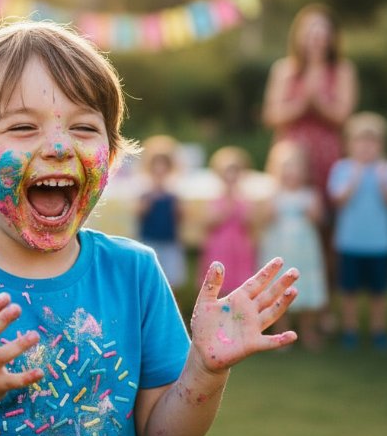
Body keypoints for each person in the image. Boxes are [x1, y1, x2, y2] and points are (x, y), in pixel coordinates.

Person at [0, 21, 300, 436]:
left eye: (84, 128)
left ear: (109, 156)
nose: (59, 146)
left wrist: (205, 371)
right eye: (23, 127)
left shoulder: (135, 273)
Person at [262, 4, 358, 328]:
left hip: (327, 157)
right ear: (300, 36)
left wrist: (319, 103)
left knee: (326, 233)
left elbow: (342, 116)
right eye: (311, 30)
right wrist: (305, 102)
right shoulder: (284, 70)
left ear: (331, 37)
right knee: (283, 233)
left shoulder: (342, 70)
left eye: (323, 30)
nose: (317, 37)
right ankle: (281, 308)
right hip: (290, 158)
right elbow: (272, 115)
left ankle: (321, 308)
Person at [327, 112, 387, 351]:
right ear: (350, 144)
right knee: (349, 291)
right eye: (361, 141)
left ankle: (379, 331)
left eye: (372, 142)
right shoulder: (342, 168)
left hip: (380, 243)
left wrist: (384, 181)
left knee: (379, 292)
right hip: (349, 242)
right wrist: (355, 176)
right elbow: (339, 200)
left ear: (381, 145)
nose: (366, 147)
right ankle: (350, 330)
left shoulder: (386, 169)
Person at [260, 140, 329, 351]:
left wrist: (313, 213)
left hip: (304, 251)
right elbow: (263, 219)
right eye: (285, 167)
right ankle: (282, 334)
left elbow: (319, 218)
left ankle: (308, 332)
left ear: (304, 170)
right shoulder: (273, 195)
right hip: (280, 248)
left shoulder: (310, 194)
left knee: (305, 289)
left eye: (295, 167)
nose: (290, 172)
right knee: (280, 290)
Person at [198, 146, 257, 296]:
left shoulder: (245, 200)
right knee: (218, 281)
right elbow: (208, 223)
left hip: (239, 248)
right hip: (220, 247)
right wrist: (224, 212)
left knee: (239, 284)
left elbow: (251, 224)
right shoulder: (213, 199)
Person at [137, 135, 187, 291]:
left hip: (170, 242)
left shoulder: (174, 193)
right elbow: (139, 214)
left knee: (171, 282)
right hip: (149, 242)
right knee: (149, 282)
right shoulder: (144, 192)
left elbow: (181, 218)